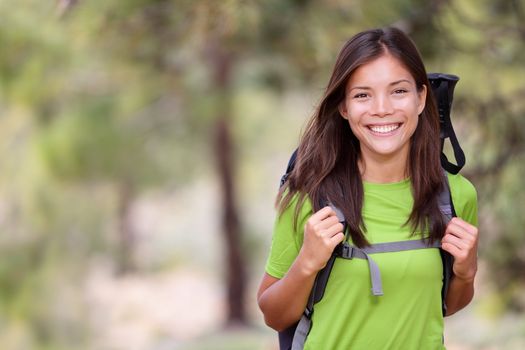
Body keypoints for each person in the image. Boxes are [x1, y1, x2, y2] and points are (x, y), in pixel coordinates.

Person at [257, 27, 479, 349]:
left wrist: (467, 272)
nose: (381, 108)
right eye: (362, 95)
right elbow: (274, 316)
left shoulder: (455, 196)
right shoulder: (309, 196)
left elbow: (444, 306)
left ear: (421, 98)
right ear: (344, 108)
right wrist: (307, 262)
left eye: (398, 91)